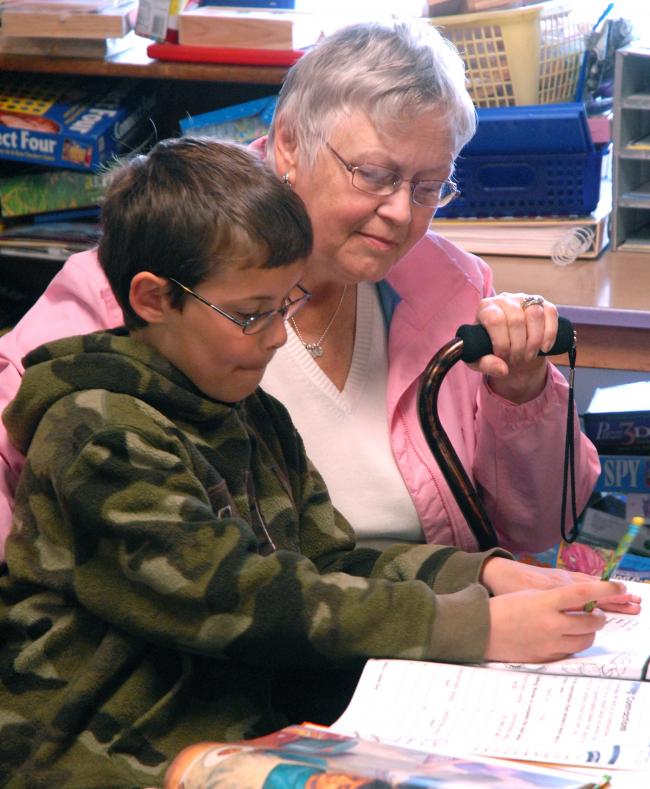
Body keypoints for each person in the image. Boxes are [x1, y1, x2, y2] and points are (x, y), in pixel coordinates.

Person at [0, 137, 637, 787]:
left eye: (286, 306)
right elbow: (244, 599)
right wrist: (479, 626)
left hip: (237, 728)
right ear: (154, 299)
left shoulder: (246, 407)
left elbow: (326, 558)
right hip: (98, 757)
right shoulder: (96, 435)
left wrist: (483, 576)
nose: (278, 337)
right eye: (252, 314)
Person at [0, 21, 600, 563]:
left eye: (428, 187)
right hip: (238, 642)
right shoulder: (139, 282)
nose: (400, 213)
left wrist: (521, 395)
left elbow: (542, 524)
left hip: (414, 623)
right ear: (289, 143)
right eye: (375, 175)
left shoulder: (449, 286)